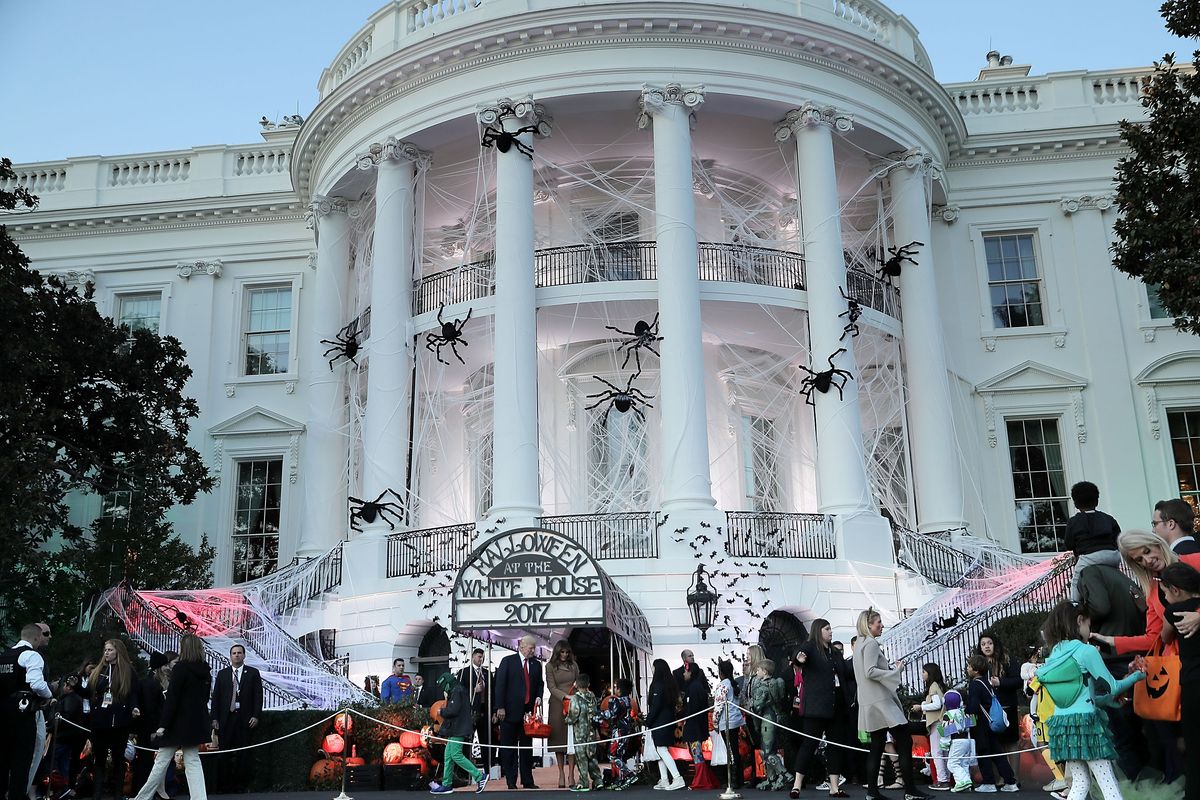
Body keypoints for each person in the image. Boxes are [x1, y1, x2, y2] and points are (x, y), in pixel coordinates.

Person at [1092, 529, 1200, 782]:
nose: (1147, 560)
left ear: (1156, 543)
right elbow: (1154, 637)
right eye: (1139, 559)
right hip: (1181, 673)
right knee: (1181, 742)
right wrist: (1113, 641)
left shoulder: (1194, 561)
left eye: (1147, 551)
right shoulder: (1153, 590)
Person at [1037, 600, 1146, 800]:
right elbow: (1113, 686)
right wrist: (1137, 676)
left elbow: (1078, 696)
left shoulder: (1054, 655)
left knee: (1080, 782)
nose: (1090, 630)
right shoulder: (1085, 651)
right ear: (1079, 621)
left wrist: (1106, 701)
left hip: (1062, 727)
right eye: (1088, 625)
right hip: (1086, 725)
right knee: (1107, 781)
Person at [1075, 558, 1147, 780]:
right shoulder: (1122, 576)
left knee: (1120, 734)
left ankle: (1132, 783)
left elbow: (1111, 688)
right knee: (1137, 731)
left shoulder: (1091, 573)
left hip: (1116, 662)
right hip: (1131, 660)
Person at [852, 608, 927, 800]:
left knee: (877, 746)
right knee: (904, 741)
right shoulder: (870, 644)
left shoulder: (859, 644)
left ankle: (872, 792)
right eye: (878, 622)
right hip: (881, 702)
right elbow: (870, 671)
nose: (882, 625)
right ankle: (910, 790)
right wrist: (895, 672)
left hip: (870, 702)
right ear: (869, 624)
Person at [127, 636, 208, 800]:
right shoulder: (205, 669)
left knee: (161, 761)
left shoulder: (181, 668)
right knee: (192, 761)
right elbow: (205, 698)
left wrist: (163, 725)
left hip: (176, 724)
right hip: (195, 723)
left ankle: (142, 798)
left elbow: (172, 699)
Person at [790, 618, 853, 800]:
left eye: (831, 628)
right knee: (809, 744)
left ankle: (834, 787)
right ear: (819, 631)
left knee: (834, 746)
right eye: (827, 628)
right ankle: (797, 786)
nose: (831, 631)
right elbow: (799, 654)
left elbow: (845, 673)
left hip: (837, 706)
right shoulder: (810, 646)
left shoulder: (834, 652)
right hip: (817, 707)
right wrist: (798, 658)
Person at [1160, 562, 1200, 800]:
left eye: (1165, 592)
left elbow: (1164, 637)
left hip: (1193, 684)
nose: (1164, 598)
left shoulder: (1172, 612)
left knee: (1195, 747)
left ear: (1175, 590)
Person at [1, 623, 53, 800]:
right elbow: (37, 684)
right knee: (21, 763)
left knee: (2, 759)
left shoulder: (5, 655)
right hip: (23, 714)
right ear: (37, 637)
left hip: (3, 712)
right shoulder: (32, 655)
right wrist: (48, 694)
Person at [209, 644, 262, 794]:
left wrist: (256, 715)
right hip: (226, 720)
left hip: (244, 720)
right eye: (234, 653)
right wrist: (214, 718)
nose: (237, 655)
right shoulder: (223, 674)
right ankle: (225, 786)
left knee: (243, 754)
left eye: (239, 653)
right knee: (224, 753)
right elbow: (216, 698)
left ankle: (241, 786)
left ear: (244, 656)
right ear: (230, 656)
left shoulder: (252, 673)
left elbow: (258, 696)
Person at [88, 639, 137, 800]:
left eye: (109, 650)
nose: (106, 653)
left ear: (118, 651)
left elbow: (133, 694)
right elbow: (90, 692)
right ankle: (97, 793)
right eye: (105, 650)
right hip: (100, 720)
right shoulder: (99, 670)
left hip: (120, 721)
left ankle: (118, 792)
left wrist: (133, 708)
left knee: (118, 757)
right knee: (99, 757)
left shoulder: (128, 671)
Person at [493, 635, 544, 790]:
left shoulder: (536, 664)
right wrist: (499, 707)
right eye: (531, 648)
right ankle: (511, 780)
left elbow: (539, 684)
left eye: (534, 648)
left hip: (527, 715)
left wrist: (539, 696)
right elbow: (500, 685)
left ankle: (528, 780)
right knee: (509, 748)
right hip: (508, 713)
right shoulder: (508, 661)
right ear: (522, 646)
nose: (533, 651)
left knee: (527, 748)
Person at [963, 655, 1017, 793]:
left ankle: (988, 782)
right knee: (997, 753)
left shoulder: (975, 684)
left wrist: (965, 710)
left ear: (975, 670)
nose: (967, 669)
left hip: (981, 724)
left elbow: (974, 707)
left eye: (969, 666)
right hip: (991, 722)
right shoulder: (987, 682)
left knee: (983, 753)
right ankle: (1010, 781)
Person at [971, 632, 1022, 778]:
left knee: (1011, 742)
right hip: (987, 711)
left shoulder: (1007, 660)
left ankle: (1015, 778)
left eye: (989, 643)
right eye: (983, 644)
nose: (986, 646)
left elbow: (1018, 680)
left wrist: (1001, 682)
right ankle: (1000, 778)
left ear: (995, 644)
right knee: (994, 744)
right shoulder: (978, 664)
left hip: (1006, 707)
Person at [428, 671, 487, 795]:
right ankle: (447, 784)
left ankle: (479, 776)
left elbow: (453, 710)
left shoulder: (457, 691)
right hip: (457, 727)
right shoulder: (458, 690)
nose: (443, 689)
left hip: (458, 728)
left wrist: (441, 711)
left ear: (447, 684)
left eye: (443, 686)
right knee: (448, 755)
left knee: (455, 754)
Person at [1065, 481, 1122, 602]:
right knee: (1117, 575)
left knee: (1075, 581)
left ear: (1075, 503)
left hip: (1089, 557)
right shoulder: (1108, 518)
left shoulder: (1074, 521)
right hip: (1113, 556)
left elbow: (1069, 544)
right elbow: (1119, 539)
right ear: (1097, 501)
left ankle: (1074, 605)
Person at [1021, 652, 1067, 794]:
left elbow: (1029, 691)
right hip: (1058, 711)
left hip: (1043, 713)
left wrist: (1034, 675)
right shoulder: (1059, 667)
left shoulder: (1042, 671)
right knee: (1056, 745)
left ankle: (1061, 778)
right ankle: (1067, 780)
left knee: (1043, 744)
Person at [131, 652, 175, 799]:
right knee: (148, 763)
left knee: (152, 762)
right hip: (151, 730)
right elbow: (151, 710)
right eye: (166, 665)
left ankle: (155, 792)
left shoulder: (150, 682)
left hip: (151, 729)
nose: (168, 668)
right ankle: (144, 792)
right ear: (160, 668)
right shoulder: (151, 684)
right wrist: (154, 730)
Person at [645, 658, 685, 790]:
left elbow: (655, 706)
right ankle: (664, 779)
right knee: (661, 750)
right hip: (667, 721)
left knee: (661, 749)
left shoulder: (657, 685)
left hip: (660, 722)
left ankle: (677, 777)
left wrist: (648, 721)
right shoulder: (669, 685)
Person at [545, 640, 578, 789]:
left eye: (567, 652)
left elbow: (578, 682)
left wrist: (575, 696)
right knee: (558, 740)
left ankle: (571, 773)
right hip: (557, 704)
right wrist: (565, 696)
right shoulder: (549, 666)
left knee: (572, 739)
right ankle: (561, 773)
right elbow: (551, 687)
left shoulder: (574, 665)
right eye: (562, 652)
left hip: (574, 702)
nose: (564, 655)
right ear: (557, 652)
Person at [751, 659, 787, 790]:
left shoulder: (762, 687)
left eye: (758, 670)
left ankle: (783, 773)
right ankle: (771, 778)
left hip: (767, 719)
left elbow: (757, 706)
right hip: (775, 718)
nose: (757, 672)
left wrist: (751, 705)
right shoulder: (775, 683)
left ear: (764, 672)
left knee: (766, 752)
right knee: (767, 750)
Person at [911, 663, 947, 790]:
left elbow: (937, 704)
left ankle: (942, 780)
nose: (922, 674)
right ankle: (946, 778)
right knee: (943, 751)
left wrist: (922, 707)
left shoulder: (933, 686)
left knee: (937, 752)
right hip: (941, 722)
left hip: (936, 723)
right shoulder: (938, 686)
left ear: (930, 674)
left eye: (924, 672)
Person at [457, 648, 493, 775]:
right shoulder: (464, 672)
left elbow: (492, 693)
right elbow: (459, 692)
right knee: (468, 741)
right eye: (479, 657)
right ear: (473, 657)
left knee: (486, 741)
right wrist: (473, 689)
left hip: (485, 710)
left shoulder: (487, 673)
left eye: (482, 657)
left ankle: (488, 769)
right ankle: (466, 771)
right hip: (470, 711)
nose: (481, 659)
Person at [596, 677, 637, 789]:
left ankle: (628, 774)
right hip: (626, 730)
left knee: (613, 755)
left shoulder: (618, 701)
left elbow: (610, 715)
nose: (614, 689)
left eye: (615, 687)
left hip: (618, 731)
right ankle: (618, 779)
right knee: (618, 755)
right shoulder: (628, 700)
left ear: (620, 689)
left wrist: (596, 715)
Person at [565, 673, 601, 792]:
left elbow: (573, 715)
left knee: (581, 757)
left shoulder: (575, 698)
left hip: (580, 732)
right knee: (592, 756)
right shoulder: (592, 696)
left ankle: (583, 782)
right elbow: (595, 713)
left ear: (576, 685)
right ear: (588, 684)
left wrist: (567, 719)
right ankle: (597, 780)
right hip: (591, 731)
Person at [714, 660, 745, 791]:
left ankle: (733, 781)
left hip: (726, 722)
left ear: (721, 672)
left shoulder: (722, 685)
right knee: (735, 750)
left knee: (730, 751)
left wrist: (715, 722)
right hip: (736, 720)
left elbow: (719, 705)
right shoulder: (733, 684)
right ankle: (739, 779)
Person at [934, 690, 974, 793]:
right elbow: (971, 725)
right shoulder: (964, 712)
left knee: (952, 763)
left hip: (956, 741)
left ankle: (963, 781)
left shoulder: (947, 715)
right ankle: (965, 784)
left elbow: (945, 733)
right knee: (964, 762)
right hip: (967, 740)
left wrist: (944, 745)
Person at [681, 667, 710, 767]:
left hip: (694, 727)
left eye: (685, 671)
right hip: (696, 727)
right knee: (696, 753)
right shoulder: (695, 686)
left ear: (691, 672)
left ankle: (701, 776)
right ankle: (701, 774)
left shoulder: (694, 687)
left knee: (697, 754)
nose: (684, 673)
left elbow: (693, 708)